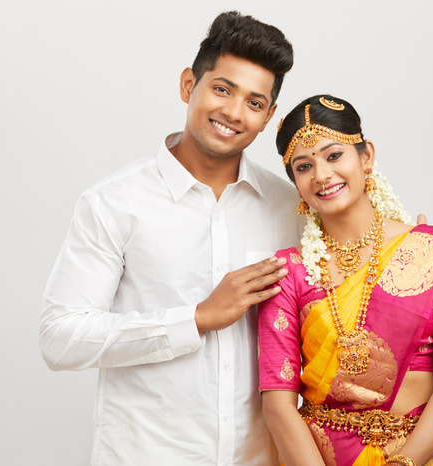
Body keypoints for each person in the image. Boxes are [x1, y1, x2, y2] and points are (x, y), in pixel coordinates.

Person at [40, 11, 299, 465]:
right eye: (222, 89)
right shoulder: (113, 203)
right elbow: (60, 339)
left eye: (255, 103)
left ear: (268, 117)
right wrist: (196, 318)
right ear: (187, 85)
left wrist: (427, 248)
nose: (234, 113)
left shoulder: (290, 208)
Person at [258, 95, 433, 466]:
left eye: (333, 156)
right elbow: (277, 404)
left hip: (419, 457)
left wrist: (403, 464)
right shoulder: (289, 271)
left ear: (366, 157)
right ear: (296, 184)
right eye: (303, 166)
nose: (322, 175)